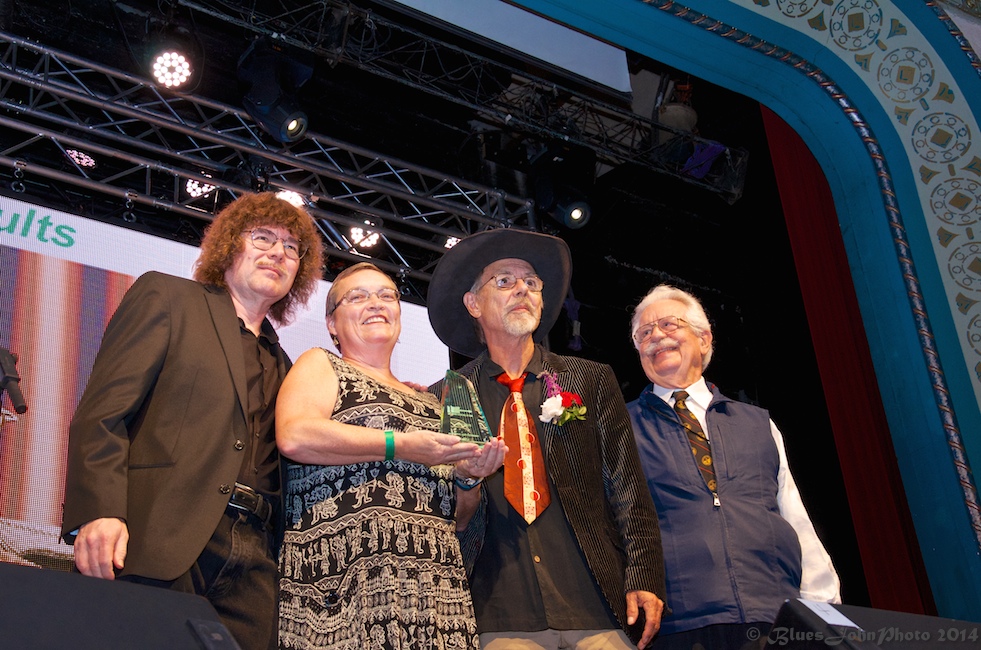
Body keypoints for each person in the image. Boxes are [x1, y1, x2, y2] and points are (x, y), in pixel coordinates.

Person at [61, 192, 324, 650]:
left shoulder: (289, 366)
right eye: (262, 237)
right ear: (228, 246)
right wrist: (100, 510)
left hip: (256, 564)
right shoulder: (167, 296)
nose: (277, 253)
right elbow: (104, 412)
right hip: (159, 537)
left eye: (291, 248)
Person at [426, 228, 666, 650]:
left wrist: (644, 577)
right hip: (496, 612)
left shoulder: (589, 379)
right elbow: (439, 515)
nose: (523, 289)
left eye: (532, 282)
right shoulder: (445, 396)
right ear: (472, 303)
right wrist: (465, 478)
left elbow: (629, 489)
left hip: (596, 606)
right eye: (504, 281)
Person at [274, 261, 507, 650]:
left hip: (433, 592)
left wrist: (469, 477)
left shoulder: (432, 400)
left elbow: (460, 518)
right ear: (332, 324)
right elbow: (295, 436)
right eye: (358, 296)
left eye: (386, 295)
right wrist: (397, 445)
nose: (375, 303)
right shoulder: (322, 364)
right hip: (344, 583)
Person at [626, 284, 841, 649]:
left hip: (774, 615)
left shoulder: (758, 423)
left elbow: (792, 511)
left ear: (705, 339)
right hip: (680, 624)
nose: (656, 337)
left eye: (668, 325)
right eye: (643, 333)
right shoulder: (621, 426)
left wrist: (825, 609)